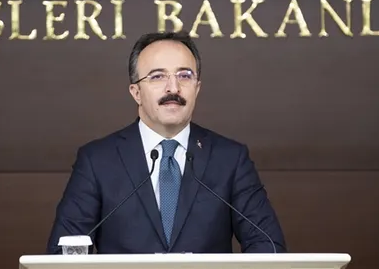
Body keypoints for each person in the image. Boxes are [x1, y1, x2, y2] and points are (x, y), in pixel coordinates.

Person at [46, 31, 287, 254]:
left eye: (184, 76)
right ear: (136, 92)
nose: (173, 88)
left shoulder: (230, 159)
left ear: (197, 88)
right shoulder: (97, 161)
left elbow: (268, 246)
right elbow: (64, 252)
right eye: (158, 76)